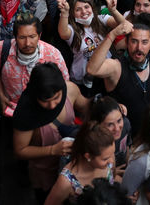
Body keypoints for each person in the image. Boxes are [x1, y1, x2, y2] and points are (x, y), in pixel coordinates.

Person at [11, 63, 92, 202]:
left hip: (75, 166)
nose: (53, 105)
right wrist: (53, 150)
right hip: (45, 173)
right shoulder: (26, 113)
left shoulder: (70, 89)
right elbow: (20, 150)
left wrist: (106, 107)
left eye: (57, 98)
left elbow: (86, 108)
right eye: (46, 101)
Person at [86, 20, 150, 131]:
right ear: (126, 42)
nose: (139, 48)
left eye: (144, 42)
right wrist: (112, 35)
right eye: (134, 41)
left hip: (149, 134)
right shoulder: (116, 67)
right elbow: (92, 69)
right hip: (122, 135)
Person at [43, 121, 116, 205]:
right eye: (105, 159)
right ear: (88, 156)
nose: (111, 161)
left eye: (112, 153)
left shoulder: (109, 156)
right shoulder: (66, 182)